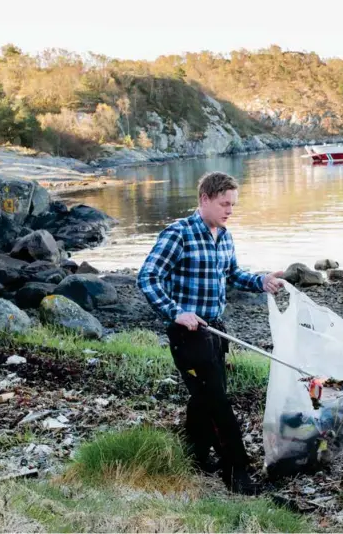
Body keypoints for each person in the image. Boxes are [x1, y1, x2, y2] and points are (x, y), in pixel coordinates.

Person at [137, 171, 284, 494]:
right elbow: (148, 278)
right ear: (204, 199)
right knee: (217, 401)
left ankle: (196, 457)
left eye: (233, 204)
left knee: (204, 398)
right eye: (224, 204)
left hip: (216, 331)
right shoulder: (179, 234)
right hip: (188, 334)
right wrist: (176, 312)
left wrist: (260, 282)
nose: (229, 210)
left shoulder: (224, 236)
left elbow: (232, 275)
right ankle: (237, 474)